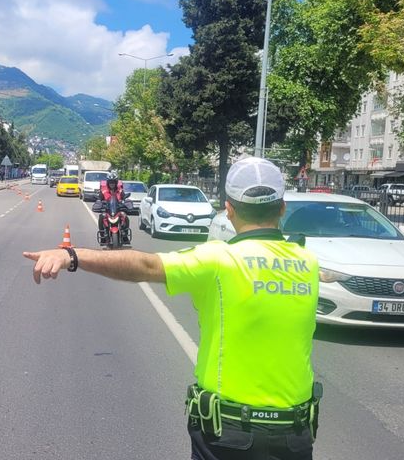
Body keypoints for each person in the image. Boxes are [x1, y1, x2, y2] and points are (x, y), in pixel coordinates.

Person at [24, 157, 321, 460]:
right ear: (282, 207)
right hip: (294, 438)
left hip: (229, 436)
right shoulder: (308, 264)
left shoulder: (220, 260)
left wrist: (72, 256)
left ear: (229, 210)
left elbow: (145, 265)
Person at [96, 171, 129, 238]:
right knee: (101, 216)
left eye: (113, 182)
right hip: (107, 210)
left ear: (116, 183)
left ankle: (125, 234)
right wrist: (99, 201)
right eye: (110, 182)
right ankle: (102, 235)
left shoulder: (120, 191)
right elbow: (99, 198)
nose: (112, 184)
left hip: (118, 210)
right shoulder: (103, 191)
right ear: (108, 183)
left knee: (125, 216)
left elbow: (124, 197)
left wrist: (125, 201)